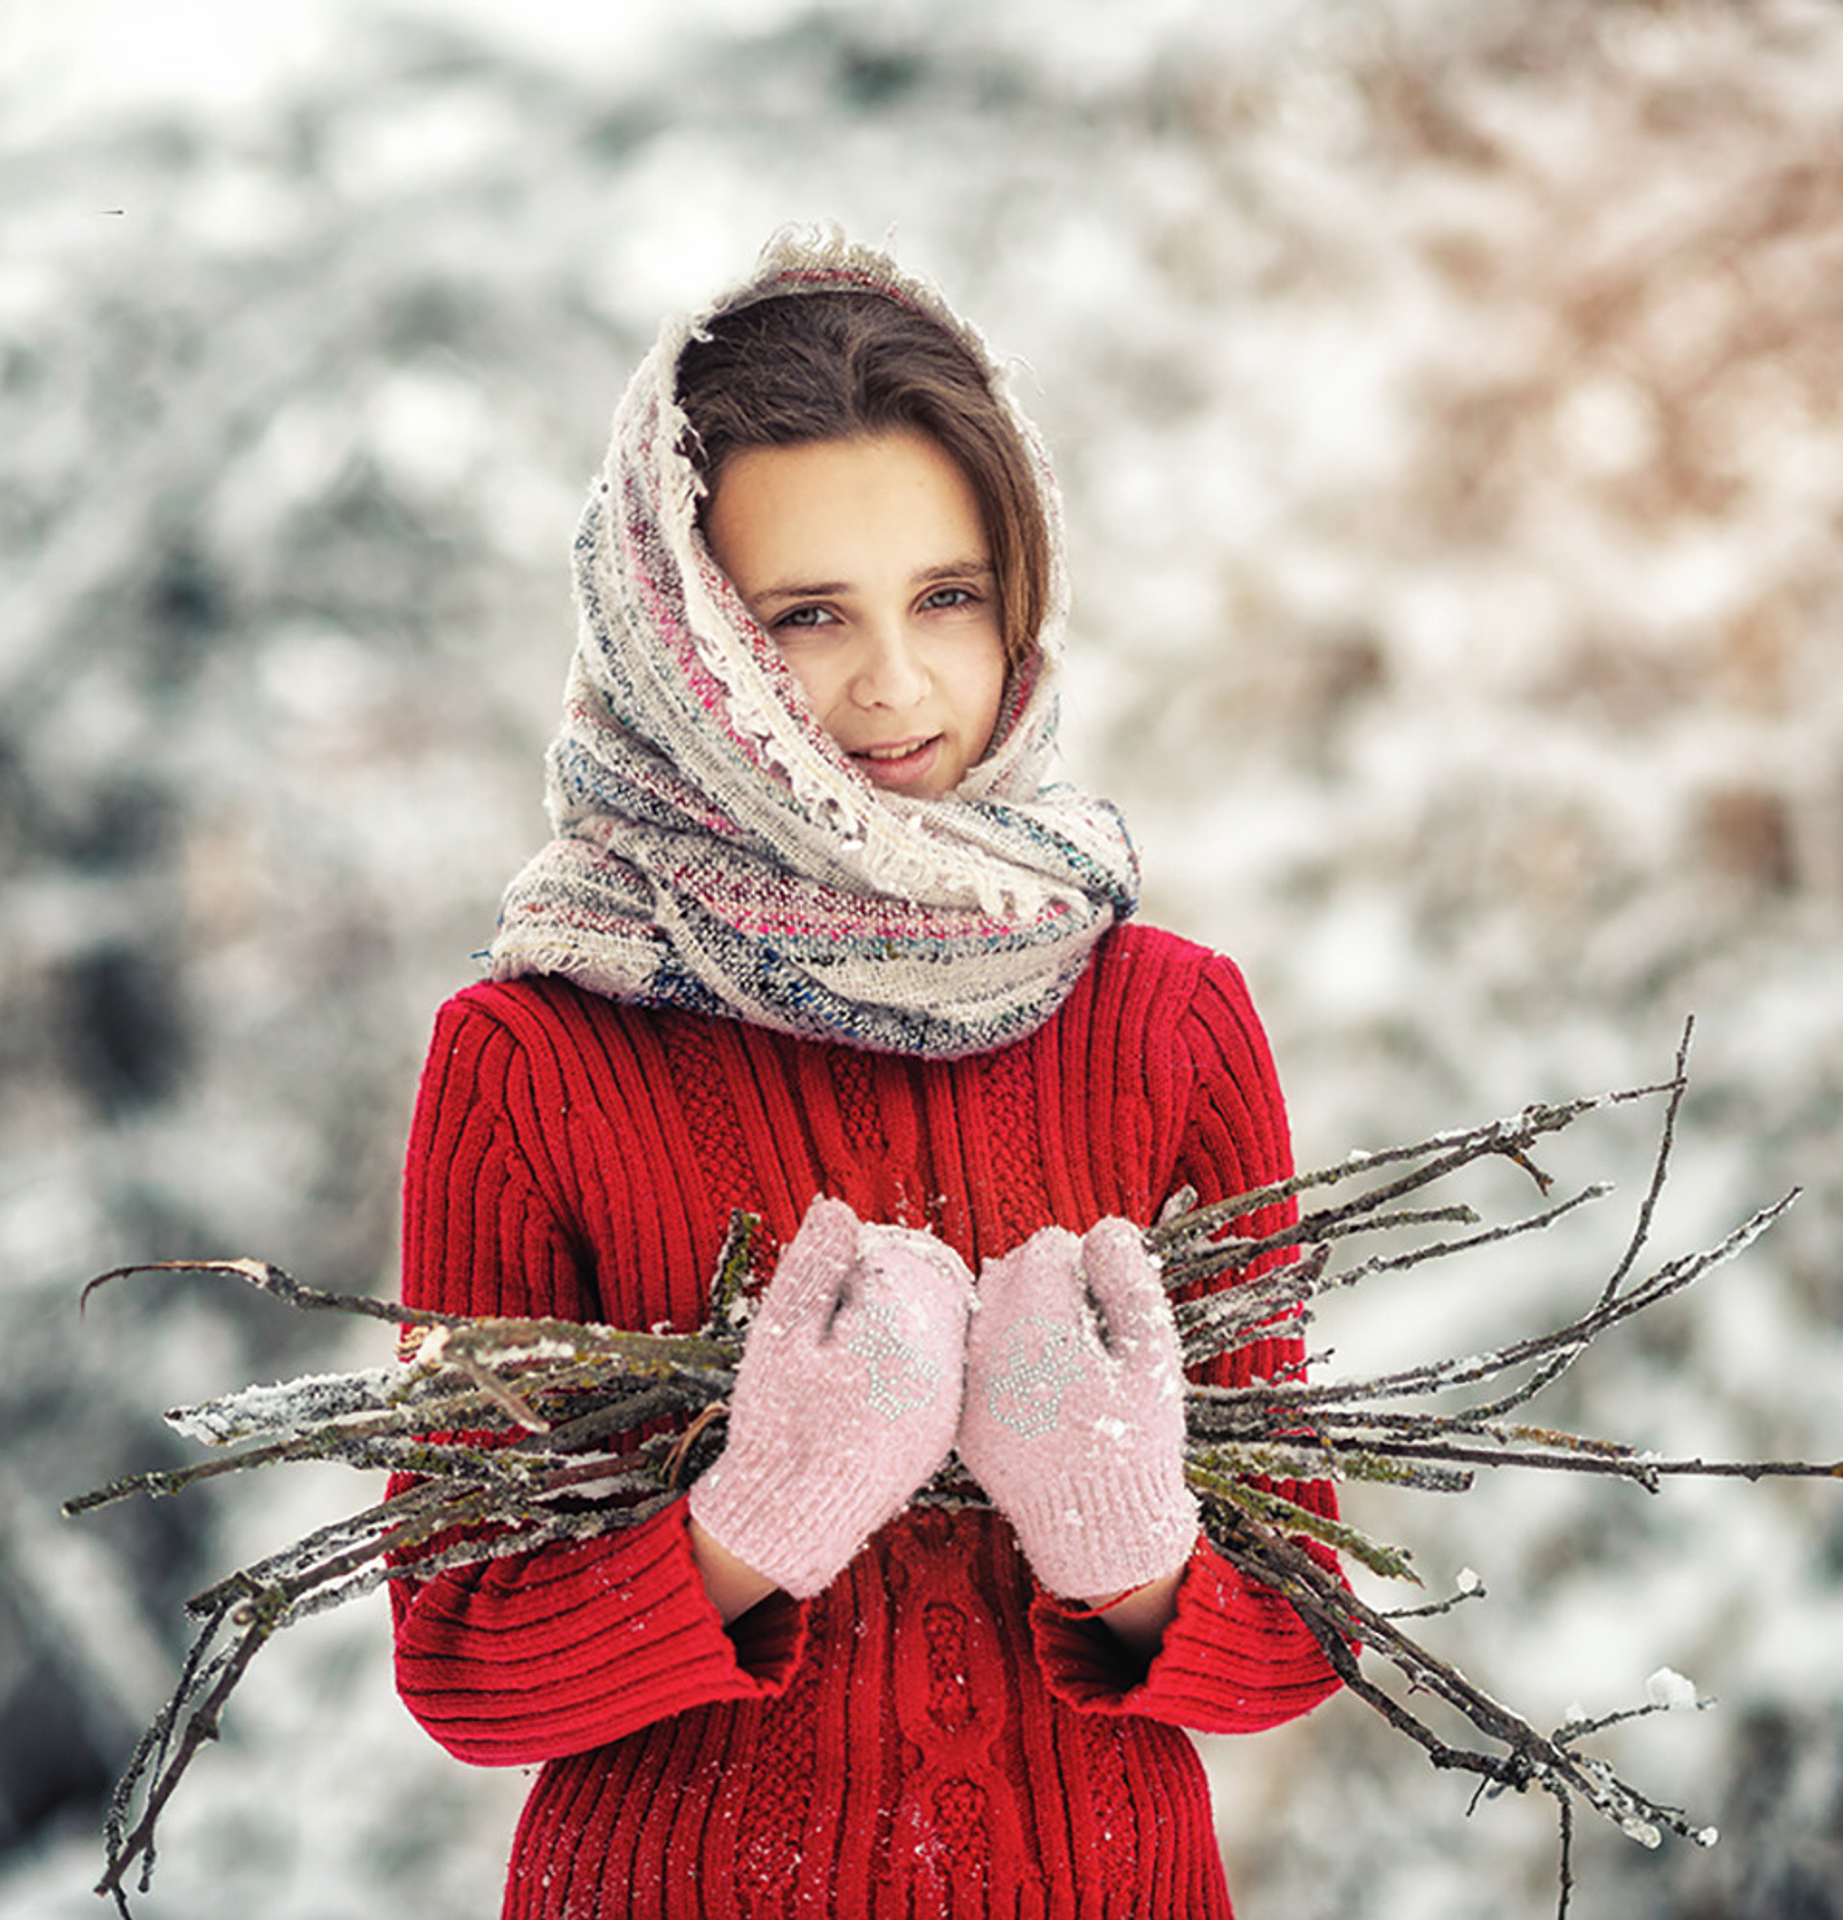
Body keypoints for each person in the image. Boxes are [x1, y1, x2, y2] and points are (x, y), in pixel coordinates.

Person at [391, 225, 1343, 1920]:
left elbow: (1295, 1643)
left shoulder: (1167, 1021)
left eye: (949, 597)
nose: (896, 683)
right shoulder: (534, 1052)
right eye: (806, 615)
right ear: (682, 642)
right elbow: (463, 1662)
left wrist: (1127, 1537)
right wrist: (760, 1515)